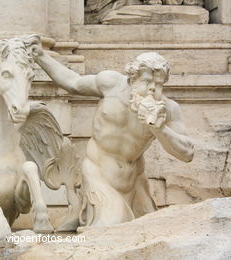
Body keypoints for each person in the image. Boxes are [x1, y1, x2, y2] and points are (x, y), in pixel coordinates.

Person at [31, 46, 194, 227]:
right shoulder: (111, 84)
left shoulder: (168, 109)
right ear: (134, 77)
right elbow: (73, 82)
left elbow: (187, 153)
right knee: (113, 226)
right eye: (147, 81)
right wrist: (40, 56)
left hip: (135, 182)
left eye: (159, 84)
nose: (153, 89)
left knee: (149, 230)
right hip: (98, 175)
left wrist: (159, 128)